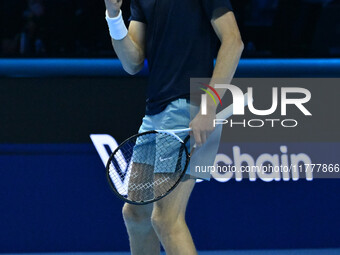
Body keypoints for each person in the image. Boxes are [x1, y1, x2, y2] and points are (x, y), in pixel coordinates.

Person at [103, 0, 243, 254]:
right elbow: (132, 62)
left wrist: (209, 106)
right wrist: (113, 17)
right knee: (136, 212)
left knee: (166, 219)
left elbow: (233, 41)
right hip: (155, 111)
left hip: (189, 106)